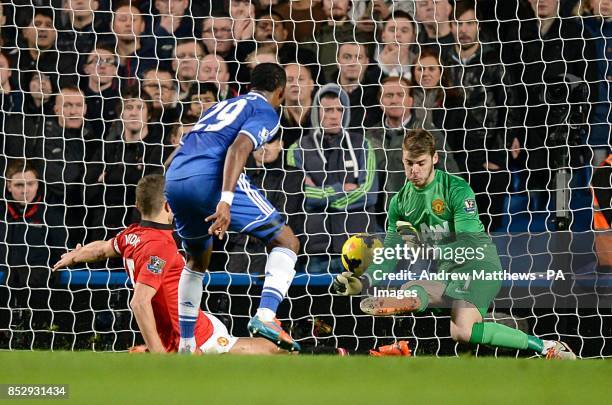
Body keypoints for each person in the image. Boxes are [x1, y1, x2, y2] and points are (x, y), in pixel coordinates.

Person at [333, 129, 577, 360]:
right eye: (409, 164)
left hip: (478, 266)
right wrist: (364, 281)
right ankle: (406, 334)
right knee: (423, 296)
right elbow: (390, 253)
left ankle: (547, 346)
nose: (414, 171)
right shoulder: (399, 203)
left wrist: (423, 247)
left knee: (456, 326)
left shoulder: (457, 189)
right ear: (402, 159)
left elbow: (467, 242)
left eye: (421, 163)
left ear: (435, 158)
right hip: (448, 273)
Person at [53, 174, 280, 355]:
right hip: (194, 338)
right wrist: (159, 355)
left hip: (192, 323)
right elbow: (139, 302)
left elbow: (102, 248)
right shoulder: (159, 247)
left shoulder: (131, 234)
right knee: (276, 352)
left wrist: (75, 256)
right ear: (169, 206)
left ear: (137, 206)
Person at [165, 63, 301, 352]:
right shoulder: (266, 111)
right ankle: (266, 315)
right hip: (210, 179)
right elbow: (238, 148)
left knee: (197, 261)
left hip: (175, 177)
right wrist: (225, 201)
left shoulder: (220, 106)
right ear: (281, 91)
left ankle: (187, 346)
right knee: (286, 240)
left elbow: (180, 148)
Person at [286, 84, 379, 273]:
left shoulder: (362, 145)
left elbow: (369, 194)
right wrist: (341, 190)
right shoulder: (297, 149)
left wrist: (320, 196)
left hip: (359, 249)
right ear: (316, 112)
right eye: (328, 110)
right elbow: (298, 197)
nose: (334, 115)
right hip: (315, 251)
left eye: (339, 109)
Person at [366, 76, 458, 225]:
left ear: (410, 101)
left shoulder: (428, 132)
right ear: (381, 102)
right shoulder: (370, 135)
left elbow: (450, 173)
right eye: (389, 95)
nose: (394, 100)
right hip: (378, 221)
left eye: (400, 95)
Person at [0, 159, 66, 336]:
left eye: (30, 184)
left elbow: (61, 253)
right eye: (19, 184)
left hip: (39, 288)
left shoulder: (51, 214)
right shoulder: (2, 213)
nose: (25, 190)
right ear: (8, 186)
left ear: (37, 185)